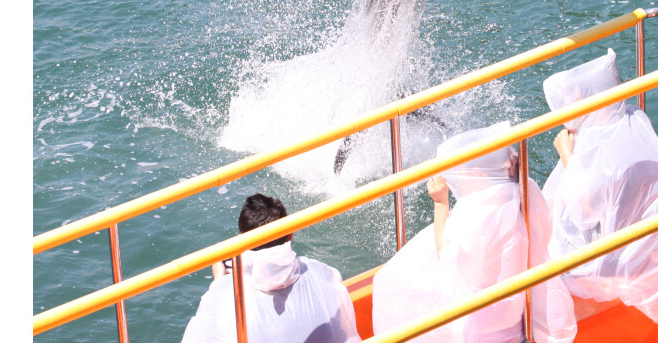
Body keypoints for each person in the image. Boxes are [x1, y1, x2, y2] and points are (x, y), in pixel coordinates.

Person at [541, 49, 658, 326]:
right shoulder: (635, 119)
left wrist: (567, 156)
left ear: (582, 99)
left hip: (624, 261)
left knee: (547, 255)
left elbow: (583, 212)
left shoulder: (598, 149)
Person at [372, 122, 576, 343]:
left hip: (481, 329)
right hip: (516, 313)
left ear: (477, 174)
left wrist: (441, 205)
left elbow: (447, 257)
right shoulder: (525, 189)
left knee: (388, 281)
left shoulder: (480, 215)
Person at [180, 193, 361, 343]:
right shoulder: (321, 272)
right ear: (290, 234)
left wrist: (219, 282)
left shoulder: (227, 294)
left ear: (243, 243)